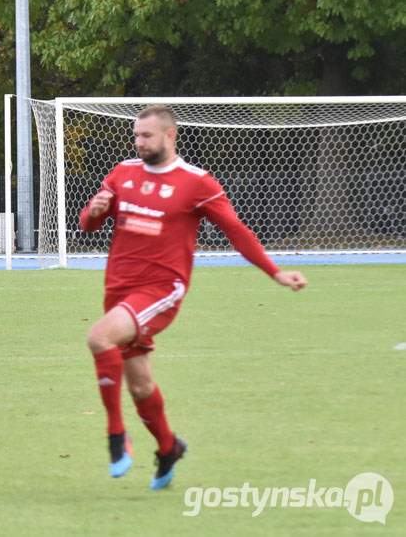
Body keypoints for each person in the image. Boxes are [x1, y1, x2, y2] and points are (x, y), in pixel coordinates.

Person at [79, 105, 307, 490]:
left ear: (170, 135)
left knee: (99, 337)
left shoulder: (196, 182)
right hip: (119, 289)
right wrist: (94, 211)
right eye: (136, 135)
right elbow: (89, 225)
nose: (139, 142)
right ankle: (169, 448)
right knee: (139, 386)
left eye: (147, 136)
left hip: (160, 289)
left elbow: (236, 230)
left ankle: (117, 437)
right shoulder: (122, 173)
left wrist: (276, 272)